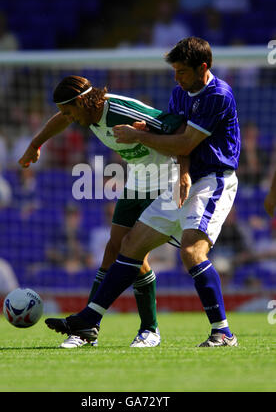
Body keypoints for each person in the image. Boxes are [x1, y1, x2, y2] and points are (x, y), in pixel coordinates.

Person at [43, 37, 241, 348]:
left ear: (203, 68)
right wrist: (182, 169)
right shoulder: (180, 92)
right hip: (181, 178)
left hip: (213, 179)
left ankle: (223, 332)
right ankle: (90, 320)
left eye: (182, 72)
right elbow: (176, 136)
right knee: (130, 244)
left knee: (191, 252)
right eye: (174, 71)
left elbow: (184, 142)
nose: (176, 78)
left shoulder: (218, 94)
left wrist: (138, 136)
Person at [18, 75, 190, 348]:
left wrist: (183, 174)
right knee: (115, 250)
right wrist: (35, 144)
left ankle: (150, 329)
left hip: (164, 183)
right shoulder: (87, 113)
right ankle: (89, 328)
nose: (67, 117)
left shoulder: (119, 111)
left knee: (133, 252)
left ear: (81, 101)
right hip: (137, 181)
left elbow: (178, 128)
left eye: (69, 110)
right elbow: (60, 119)